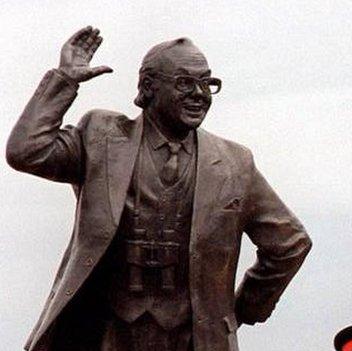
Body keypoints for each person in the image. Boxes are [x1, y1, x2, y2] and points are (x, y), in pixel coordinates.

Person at [6, 26, 312, 351]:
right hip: (105, 335)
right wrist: (63, 80)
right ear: (149, 87)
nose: (199, 93)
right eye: (184, 83)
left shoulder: (235, 164)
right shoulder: (101, 137)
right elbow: (26, 151)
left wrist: (241, 310)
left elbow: (290, 244)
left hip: (193, 340)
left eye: (207, 83)